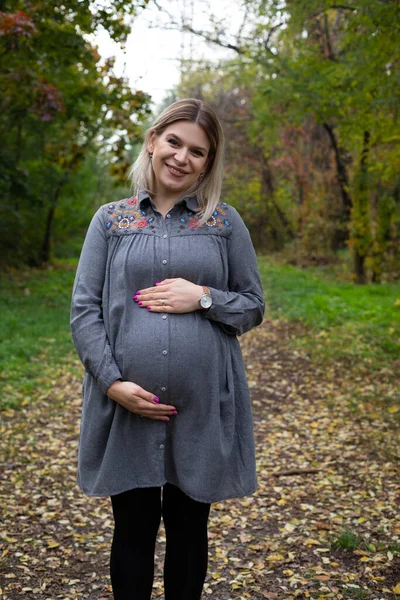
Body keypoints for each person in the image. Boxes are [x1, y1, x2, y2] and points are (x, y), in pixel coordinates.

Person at [70, 97, 265, 600]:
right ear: (153, 141)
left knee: (188, 531)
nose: (182, 157)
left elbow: (251, 306)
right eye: (174, 142)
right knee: (131, 531)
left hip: (201, 410)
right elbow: (84, 311)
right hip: (127, 407)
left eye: (197, 151)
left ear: (208, 162)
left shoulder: (223, 223)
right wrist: (112, 383)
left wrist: (201, 297)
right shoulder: (110, 221)